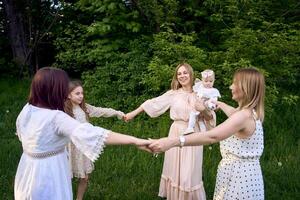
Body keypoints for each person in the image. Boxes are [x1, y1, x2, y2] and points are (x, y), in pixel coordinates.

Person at [14, 67, 150, 200]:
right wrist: (135, 140)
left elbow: (22, 135)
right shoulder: (56, 117)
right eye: (62, 87)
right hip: (50, 170)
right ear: (55, 90)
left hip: (27, 168)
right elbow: (90, 133)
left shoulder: (27, 109)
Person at [150, 68, 265, 200]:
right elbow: (233, 112)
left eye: (235, 83)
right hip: (248, 174)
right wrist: (219, 103)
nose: (230, 86)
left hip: (239, 179)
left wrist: (173, 141)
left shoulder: (242, 117)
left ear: (245, 88)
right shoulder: (249, 112)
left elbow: (212, 136)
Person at [125, 63, 216, 200]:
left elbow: (210, 118)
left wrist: (203, 109)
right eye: (179, 74)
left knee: (188, 175)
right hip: (175, 131)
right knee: (174, 170)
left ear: (191, 74)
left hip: (193, 134)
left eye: (185, 72)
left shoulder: (201, 93)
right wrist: (132, 113)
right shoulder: (173, 94)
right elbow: (152, 103)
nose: (182, 76)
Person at [64, 80, 125, 200]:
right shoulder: (63, 110)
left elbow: (101, 111)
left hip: (82, 147)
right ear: (68, 95)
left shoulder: (84, 108)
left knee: (85, 177)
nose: (81, 96)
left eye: (82, 93)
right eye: (77, 93)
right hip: (69, 147)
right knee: (66, 176)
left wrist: (117, 113)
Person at [185, 69, 221, 134]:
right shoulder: (200, 87)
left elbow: (215, 99)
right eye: (206, 81)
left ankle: (203, 133)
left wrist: (213, 104)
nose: (208, 83)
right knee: (195, 116)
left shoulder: (214, 90)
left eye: (211, 81)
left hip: (208, 106)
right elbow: (196, 90)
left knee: (209, 103)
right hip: (199, 105)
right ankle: (190, 128)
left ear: (214, 81)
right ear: (202, 81)